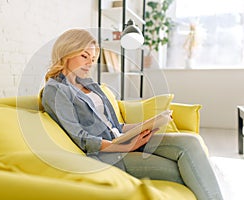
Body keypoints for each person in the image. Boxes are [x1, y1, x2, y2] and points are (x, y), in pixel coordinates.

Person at [41, 29, 223, 200]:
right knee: (186, 169)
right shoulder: (55, 90)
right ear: (66, 52)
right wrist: (121, 146)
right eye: (84, 56)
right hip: (105, 154)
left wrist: (147, 124)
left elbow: (116, 126)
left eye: (93, 57)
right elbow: (81, 138)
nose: (90, 63)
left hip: (122, 140)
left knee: (190, 142)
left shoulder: (90, 85)